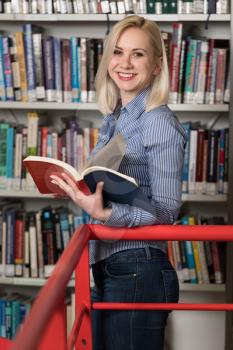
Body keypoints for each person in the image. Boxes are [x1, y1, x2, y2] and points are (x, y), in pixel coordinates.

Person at [50, 15, 186, 350]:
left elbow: (168, 210)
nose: (125, 63)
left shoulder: (158, 122)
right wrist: (76, 188)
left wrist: (109, 215)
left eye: (138, 54)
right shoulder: (115, 119)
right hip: (111, 264)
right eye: (118, 52)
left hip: (138, 268)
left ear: (156, 65)